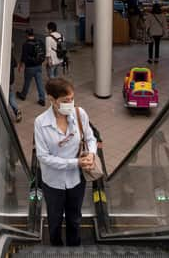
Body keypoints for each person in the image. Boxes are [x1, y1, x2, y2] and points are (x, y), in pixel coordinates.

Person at [34, 78, 97, 246]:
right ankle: (56, 247)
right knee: (54, 220)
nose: (70, 103)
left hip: (76, 180)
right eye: (65, 101)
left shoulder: (79, 114)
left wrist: (91, 154)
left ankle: (74, 248)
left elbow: (90, 138)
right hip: (53, 182)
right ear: (52, 99)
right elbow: (43, 157)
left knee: (74, 218)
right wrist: (75, 163)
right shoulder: (40, 123)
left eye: (72, 99)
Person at [17, 28, 46, 106]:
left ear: (27, 35)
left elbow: (24, 57)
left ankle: (23, 95)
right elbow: (43, 52)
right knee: (39, 82)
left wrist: (20, 66)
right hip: (39, 66)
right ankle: (42, 99)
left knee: (27, 82)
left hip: (30, 67)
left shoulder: (26, 44)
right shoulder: (39, 42)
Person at [9, 52, 22, 122]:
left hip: (6, 81)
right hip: (11, 80)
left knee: (6, 98)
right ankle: (17, 110)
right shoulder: (11, 55)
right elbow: (15, 64)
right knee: (11, 98)